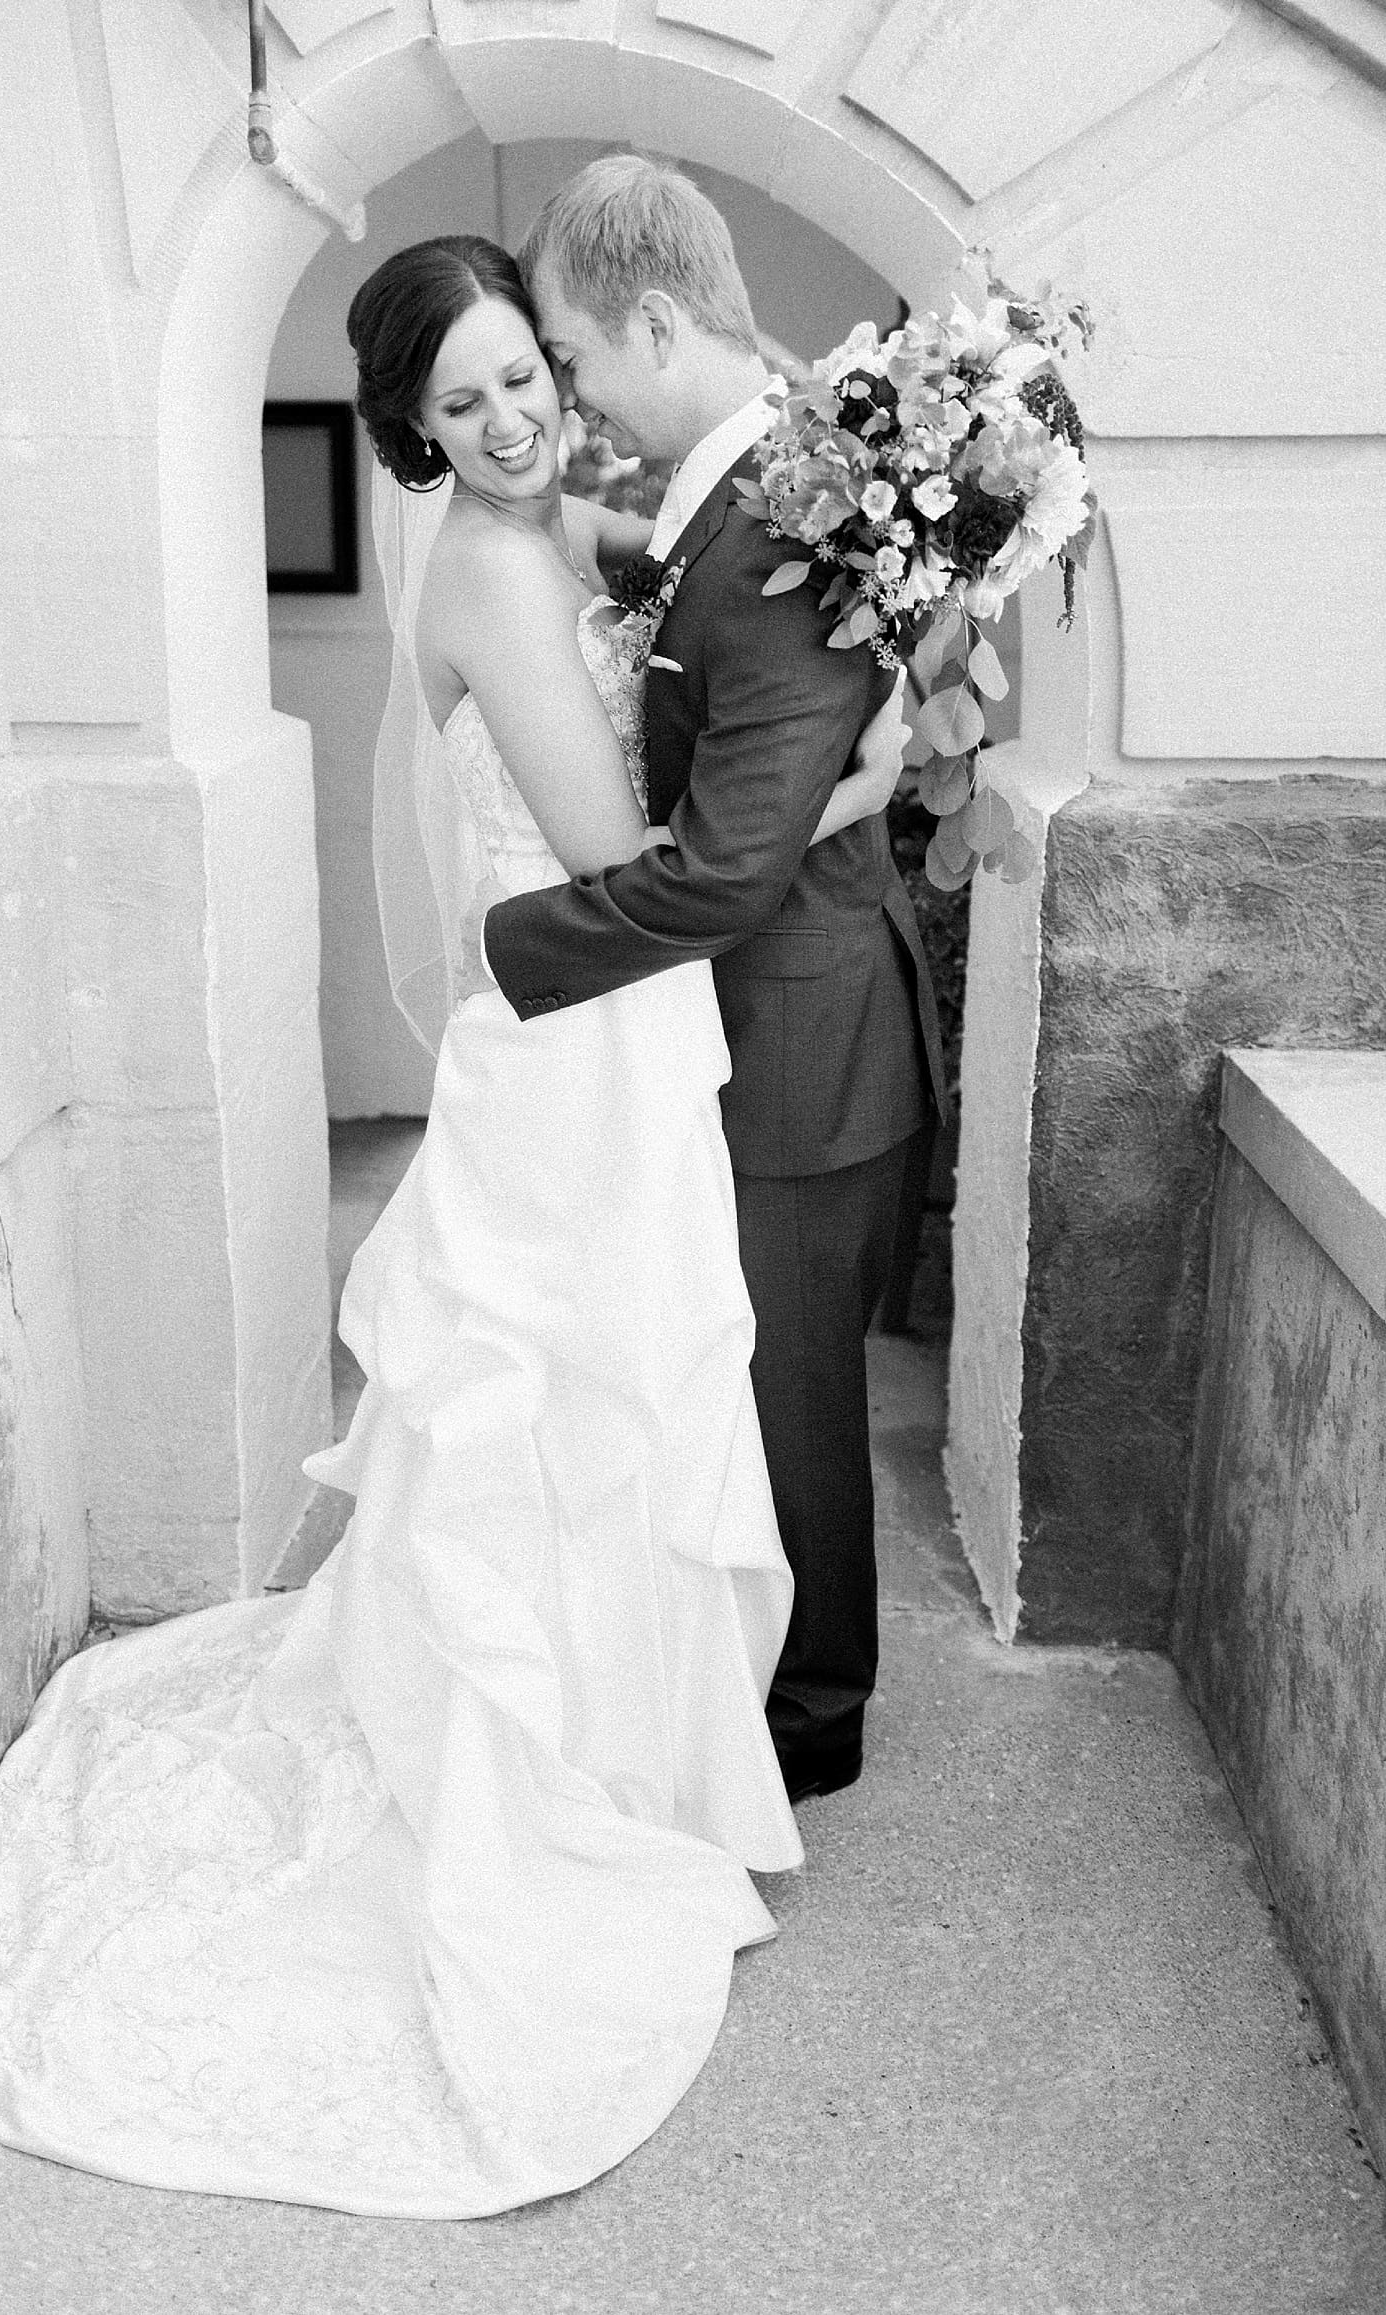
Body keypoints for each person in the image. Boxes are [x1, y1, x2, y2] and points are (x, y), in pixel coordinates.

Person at [0, 233, 909, 2219]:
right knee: (576, 1389)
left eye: (525, 372)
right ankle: (577, 1770)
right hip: (583, 1040)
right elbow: (627, 857)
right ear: (415, 432)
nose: (515, 417)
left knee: (615, 1390)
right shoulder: (493, 569)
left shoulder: (559, 544)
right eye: (463, 402)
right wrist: (834, 751)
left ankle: (626, 1737)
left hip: (599, 1031)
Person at [475, 158, 947, 1807]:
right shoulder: (763, 492)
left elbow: (729, 869)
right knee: (757, 1377)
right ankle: (762, 1671)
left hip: (806, 1048)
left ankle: (811, 1727)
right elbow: (681, 612)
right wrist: (553, 522)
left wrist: (512, 950)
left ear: (657, 321)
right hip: (794, 1017)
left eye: (576, 359)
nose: (574, 398)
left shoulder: (774, 529)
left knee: (794, 1395)